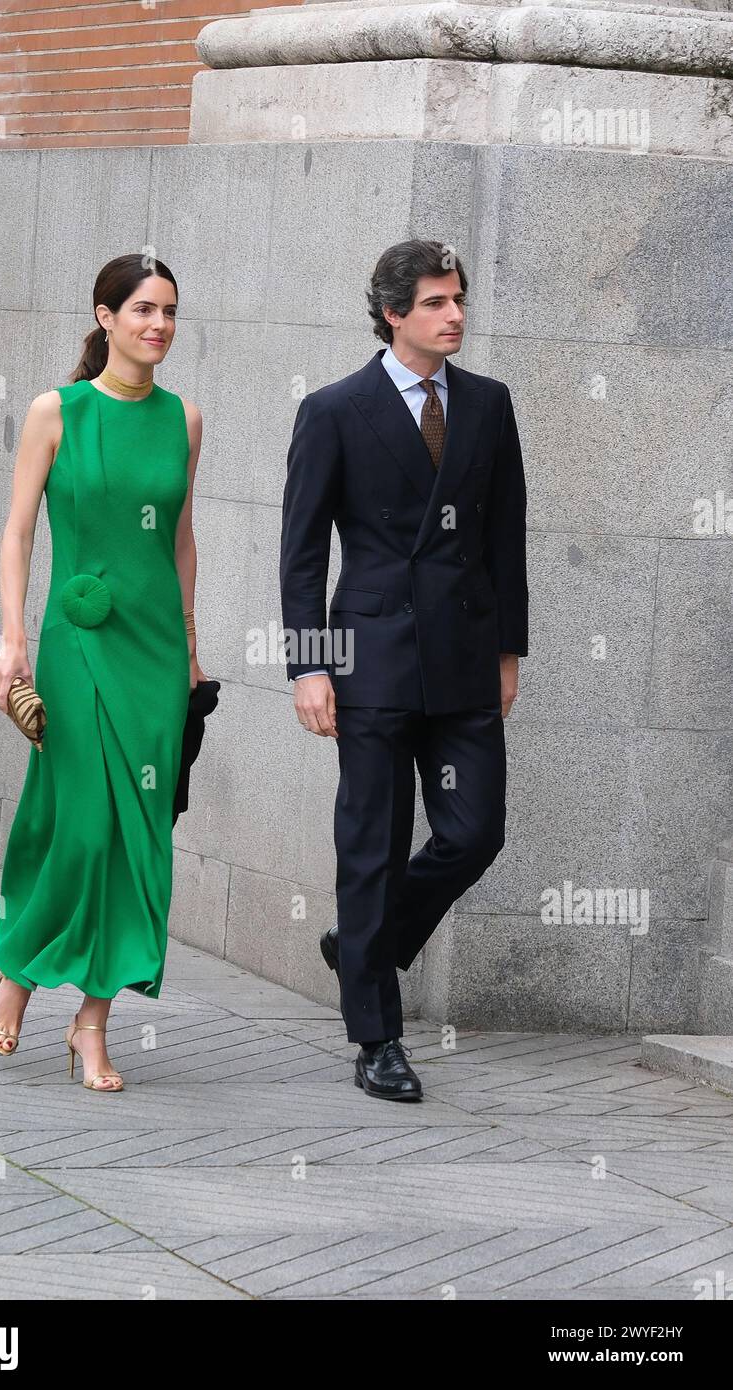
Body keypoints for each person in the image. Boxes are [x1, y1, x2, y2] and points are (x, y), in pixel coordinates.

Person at [279, 239, 528, 1102]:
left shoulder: (490, 406)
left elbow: (505, 539)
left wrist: (507, 652)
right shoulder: (334, 410)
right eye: (435, 302)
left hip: (462, 658)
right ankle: (377, 1039)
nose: (454, 315)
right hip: (371, 659)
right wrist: (310, 668)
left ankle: (363, 948)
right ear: (392, 313)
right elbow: (302, 555)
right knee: (373, 847)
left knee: (475, 830)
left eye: (458, 299)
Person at [0, 252, 207, 1092]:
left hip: (153, 655)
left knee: (138, 837)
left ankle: (93, 1024)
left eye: (171, 312)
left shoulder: (183, 418)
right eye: (144, 309)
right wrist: (13, 642)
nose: (159, 326)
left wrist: (189, 643)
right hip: (77, 645)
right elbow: (18, 533)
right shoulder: (57, 410)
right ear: (105, 317)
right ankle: (20, 972)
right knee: (77, 824)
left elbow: (180, 540)